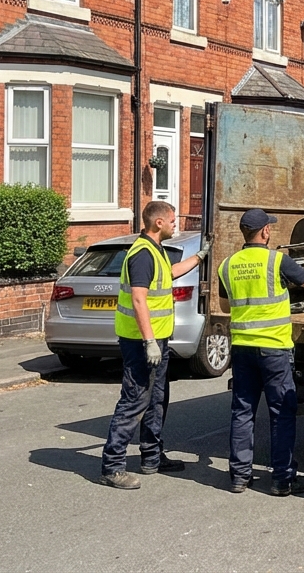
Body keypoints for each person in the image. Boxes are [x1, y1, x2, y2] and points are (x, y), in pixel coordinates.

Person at [100, 200, 209, 490]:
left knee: (157, 398)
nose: (176, 224)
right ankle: (112, 466)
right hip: (141, 342)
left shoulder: (155, 249)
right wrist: (149, 341)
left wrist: (199, 257)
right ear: (158, 223)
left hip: (156, 340)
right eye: (172, 220)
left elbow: (170, 273)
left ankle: (152, 457)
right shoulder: (142, 254)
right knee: (135, 399)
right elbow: (139, 299)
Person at [217, 208, 304, 496]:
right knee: (281, 413)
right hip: (274, 349)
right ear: (265, 231)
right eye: (269, 228)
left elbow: (226, 307)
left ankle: (239, 477)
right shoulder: (277, 260)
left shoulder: (227, 265)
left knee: (242, 411)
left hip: (242, 349)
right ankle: (282, 480)